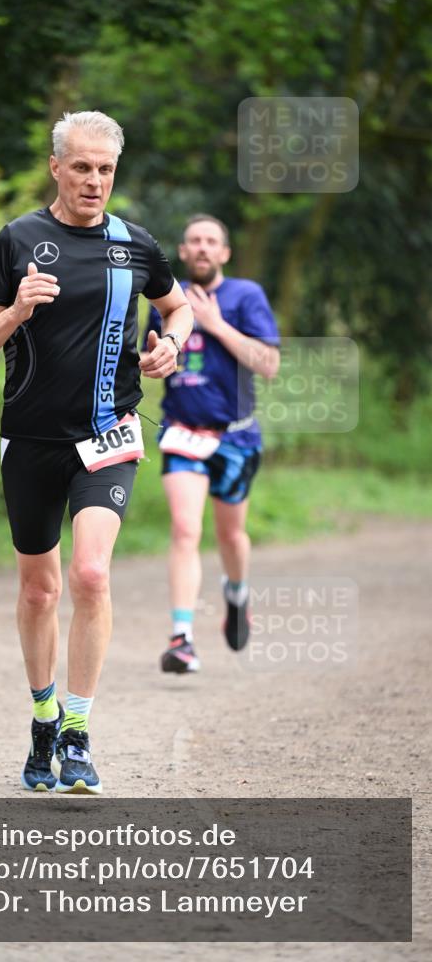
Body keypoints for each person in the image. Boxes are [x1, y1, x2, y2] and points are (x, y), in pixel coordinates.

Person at [0, 111, 192, 793]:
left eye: (106, 170)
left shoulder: (135, 245)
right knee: (40, 587)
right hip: (29, 438)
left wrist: (170, 345)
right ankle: (41, 717)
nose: (94, 181)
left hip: (108, 434)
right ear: (56, 167)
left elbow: (176, 307)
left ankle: (78, 733)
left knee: (90, 574)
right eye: (82, 167)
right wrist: (14, 311)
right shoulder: (18, 241)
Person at [143, 214, 280, 674]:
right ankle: (181, 638)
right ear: (182, 252)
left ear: (224, 253)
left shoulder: (246, 296)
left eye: (211, 242)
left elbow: (269, 364)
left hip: (236, 438)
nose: (202, 248)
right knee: (185, 530)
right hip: (182, 431)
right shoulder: (166, 298)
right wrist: (150, 361)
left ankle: (237, 593)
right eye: (194, 242)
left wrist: (217, 325)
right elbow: (153, 358)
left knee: (230, 535)